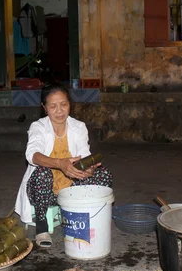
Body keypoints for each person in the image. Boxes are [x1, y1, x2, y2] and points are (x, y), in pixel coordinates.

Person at [15, 83, 113, 248]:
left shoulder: (78, 127)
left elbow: (83, 153)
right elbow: (32, 154)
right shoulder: (38, 127)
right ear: (44, 108)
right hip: (43, 191)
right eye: (53, 106)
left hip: (71, 186)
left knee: (104, 174)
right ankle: (42, 226)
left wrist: (88, 168)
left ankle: (85, 213)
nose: (59, 110)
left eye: (64, 104)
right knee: (42, 173)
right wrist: (60, 163)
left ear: (70, 104)